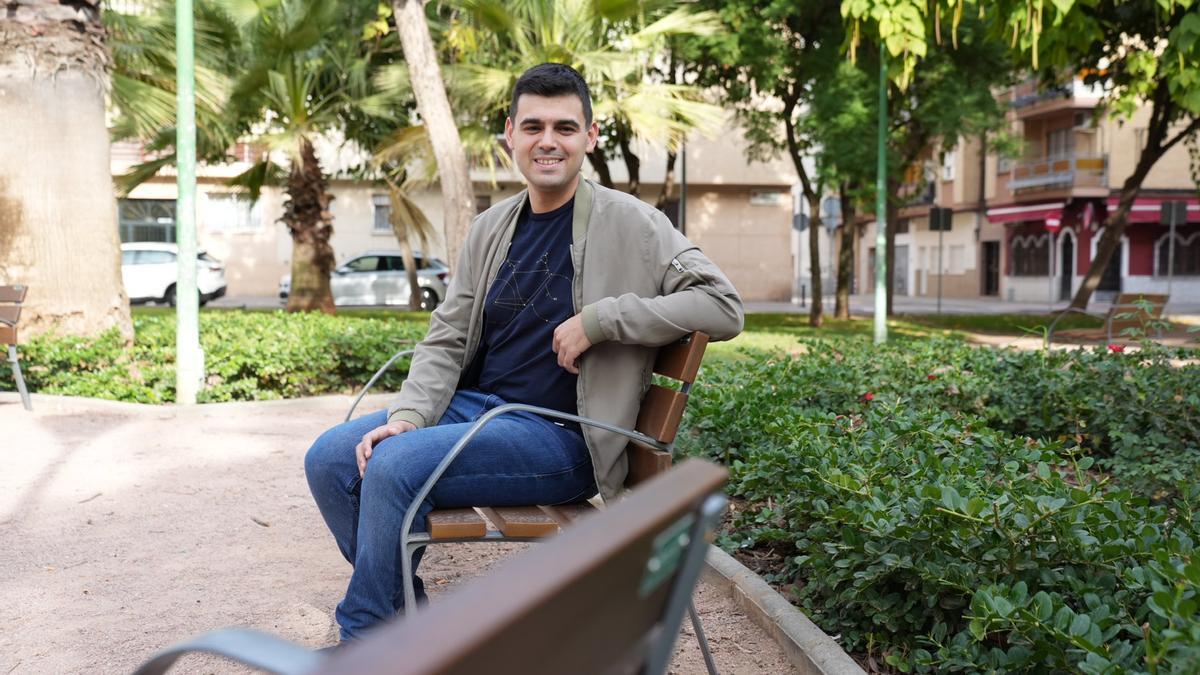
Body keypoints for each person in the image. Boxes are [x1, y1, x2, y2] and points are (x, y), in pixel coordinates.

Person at [304, 62, 743, 642]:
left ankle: (366, 643)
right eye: (533, 127)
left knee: (393, 465)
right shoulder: (491, 227)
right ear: (510, 134)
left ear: (590, 137)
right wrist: (410, 415)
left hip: (560, 434)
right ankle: (404, 619)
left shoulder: (635, 224)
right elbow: (447, 335)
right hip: (475, 411)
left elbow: (723, 306)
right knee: (331, 460)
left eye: (565, 128)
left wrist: (602, 320)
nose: (548, 141)